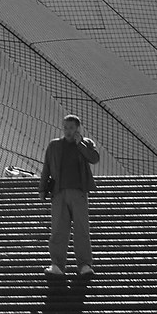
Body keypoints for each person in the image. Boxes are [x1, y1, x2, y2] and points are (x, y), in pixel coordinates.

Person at [40, 115, 100, 276]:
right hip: (59, 193)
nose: (68, 131)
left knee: (82, 229)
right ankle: (57, 264)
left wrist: (80, 144)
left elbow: (94, 158)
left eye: (71, 128)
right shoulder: (54, 145)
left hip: (79, 192)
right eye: (65, 127)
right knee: (59, 229)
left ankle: (84, 265)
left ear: (77, 129)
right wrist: (42, 189)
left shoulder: (86, 143)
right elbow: (46, 167)